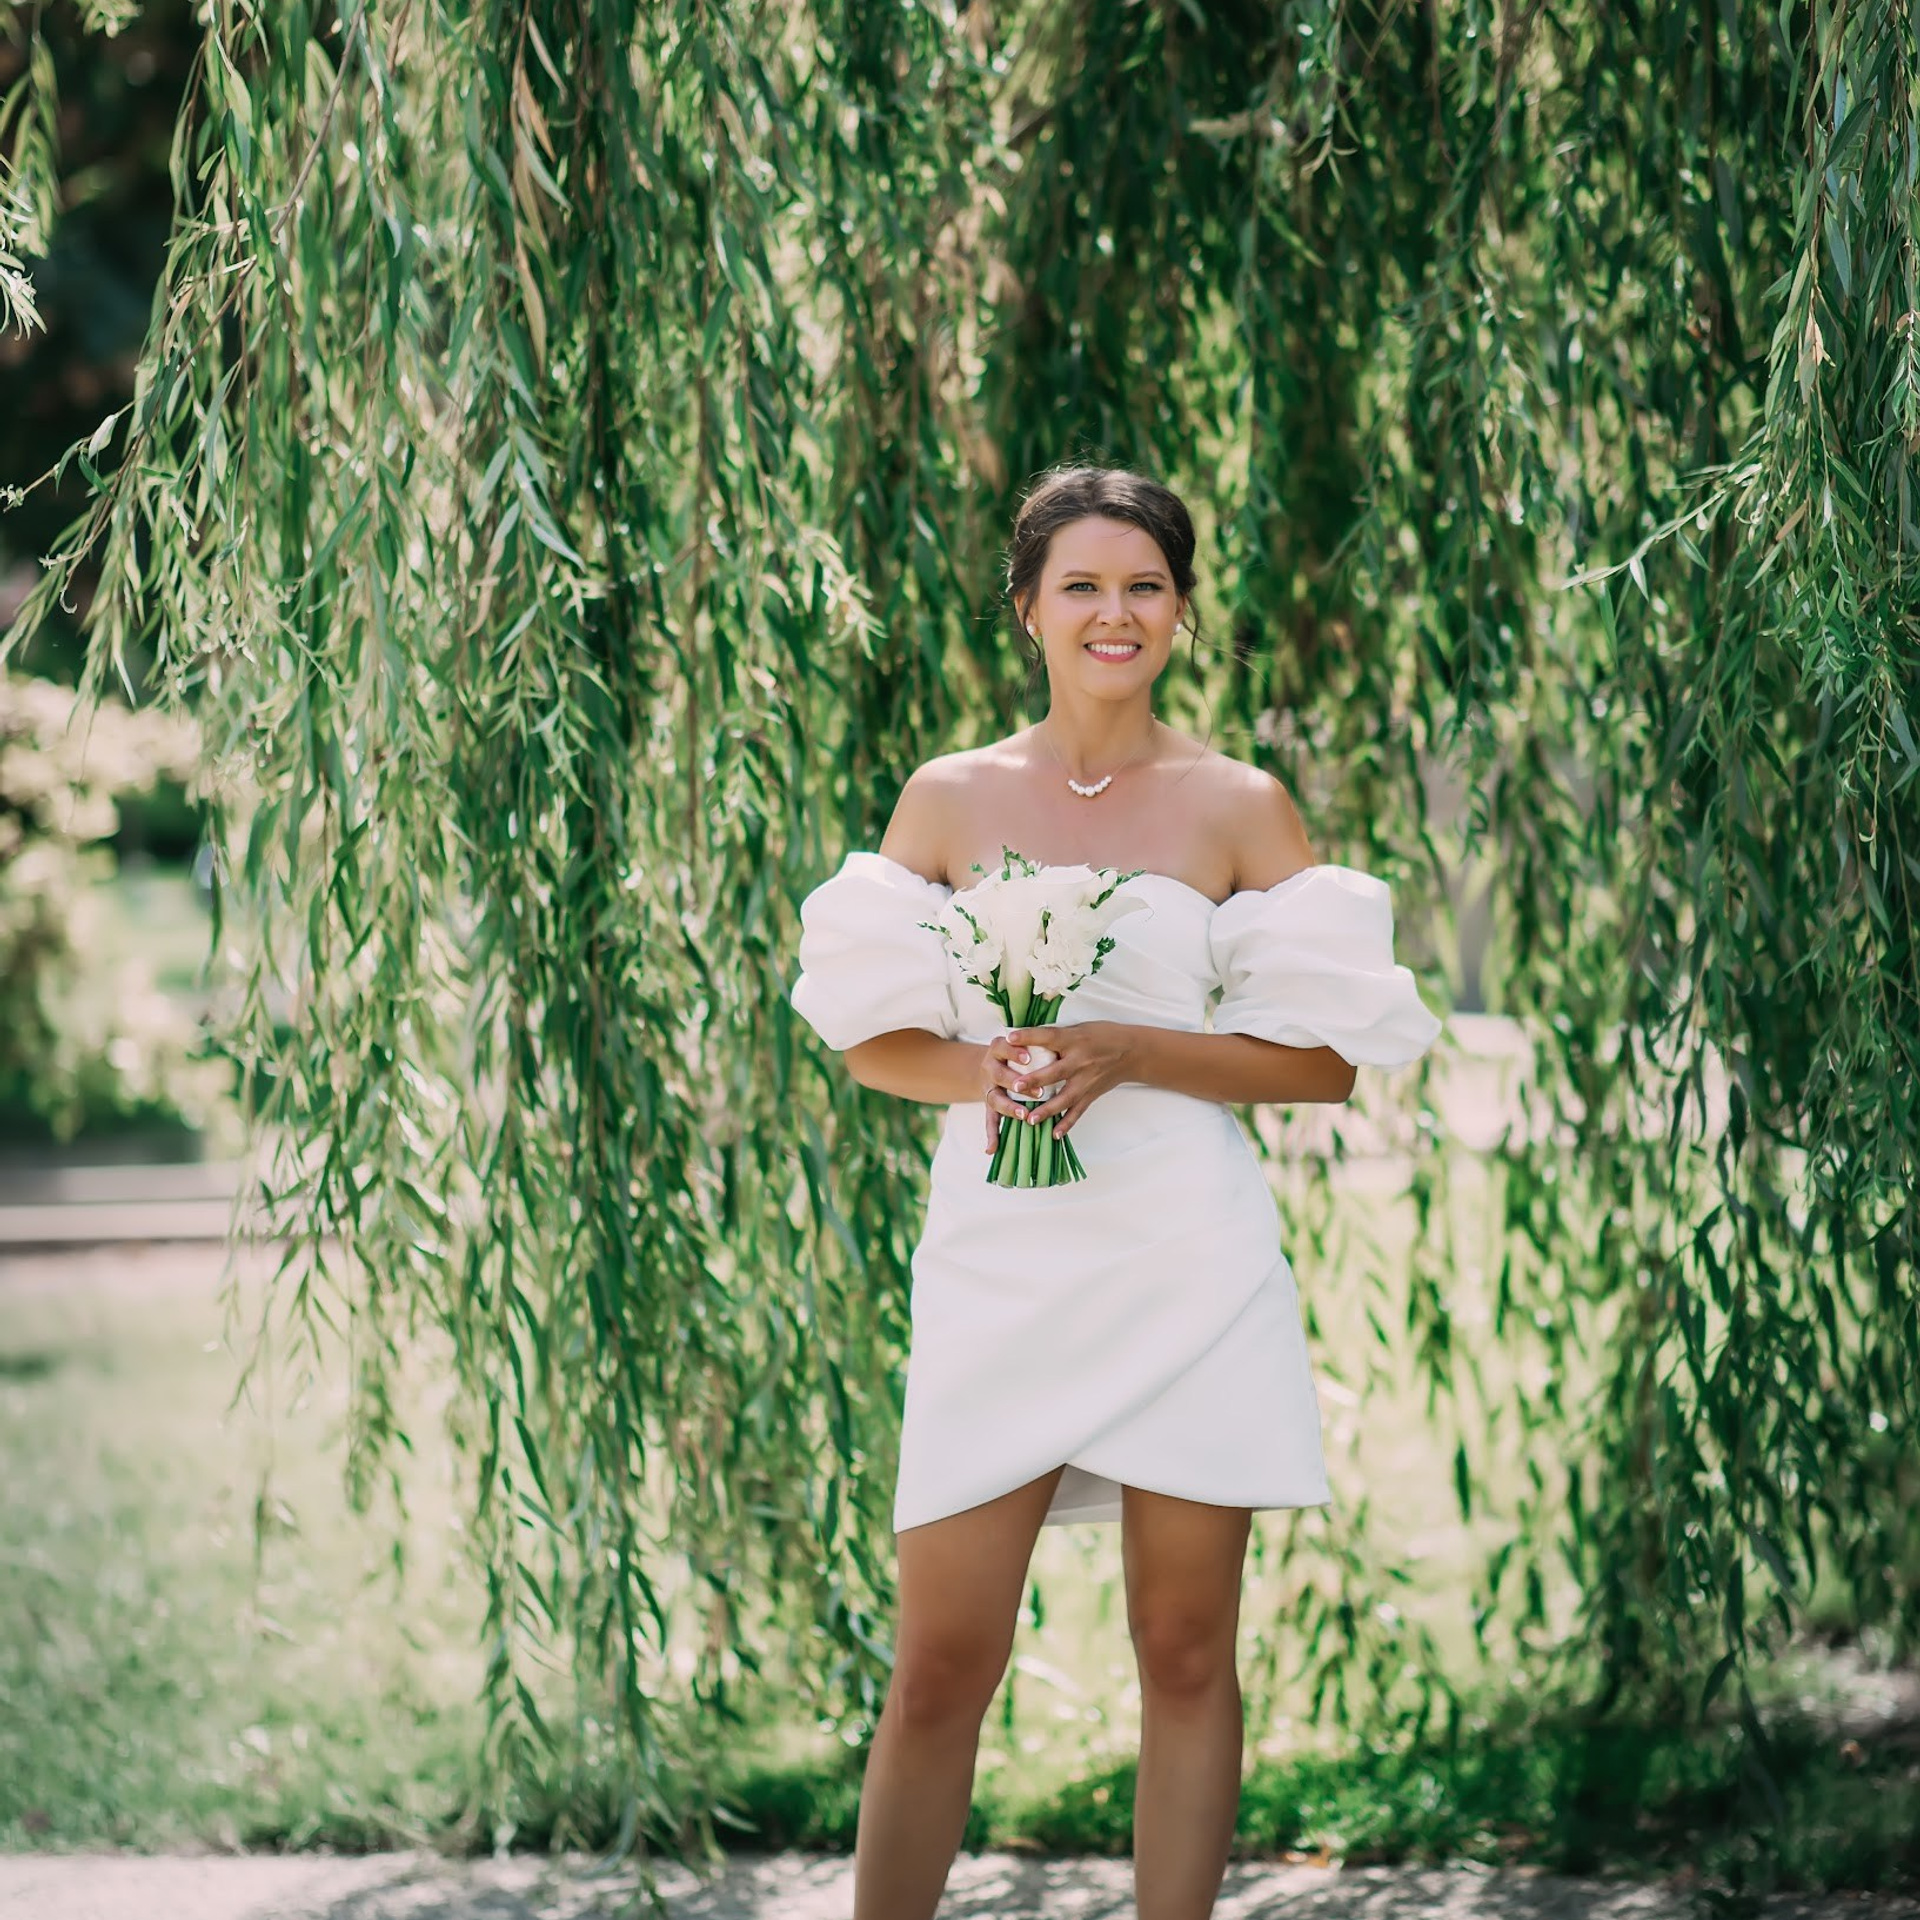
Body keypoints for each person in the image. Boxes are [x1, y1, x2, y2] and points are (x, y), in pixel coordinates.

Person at [789, 464, 1442, 1920]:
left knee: (1188, 1652)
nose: (1116, 612)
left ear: (1182, 611)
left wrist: (1134, 1049)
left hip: (1185, 1259)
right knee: (941, 1663)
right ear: (1027, 607)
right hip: (1000, 1259)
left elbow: (1322, 1066)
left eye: (1146, 585)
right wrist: (989, 1070)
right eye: (1082, 584)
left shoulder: (1239, 805)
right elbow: (871, 1040)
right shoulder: (948, 797)